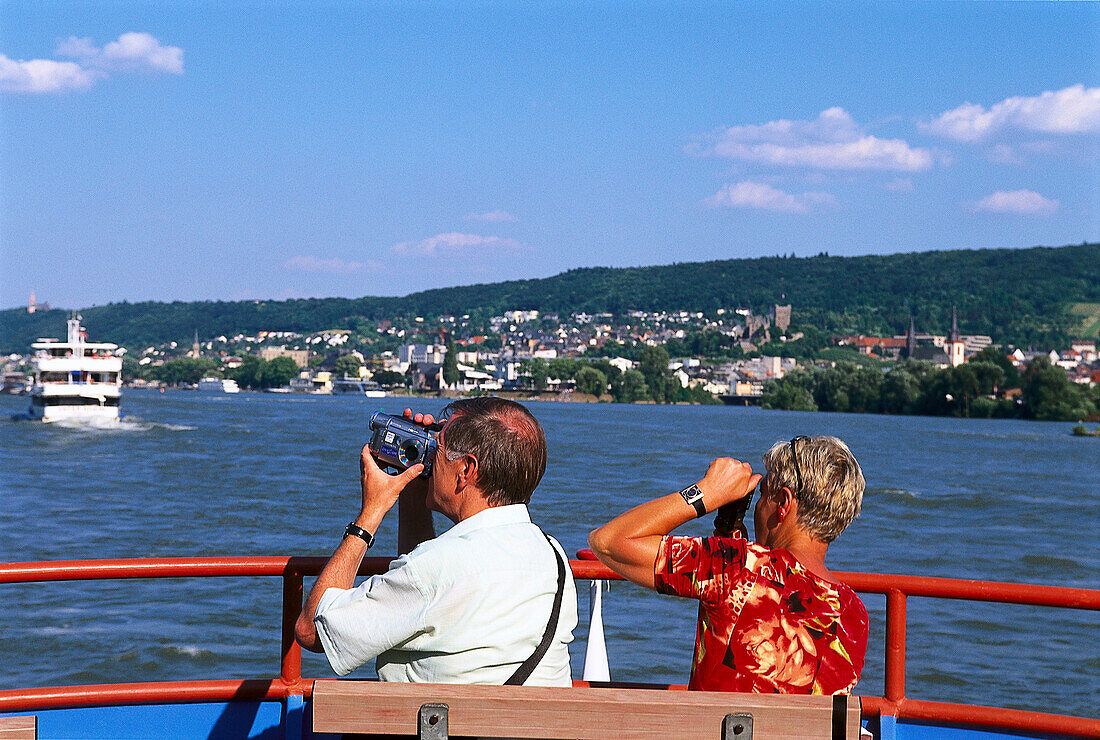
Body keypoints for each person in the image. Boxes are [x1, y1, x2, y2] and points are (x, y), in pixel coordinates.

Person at [295, 397, 577, 685]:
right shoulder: (555, 558)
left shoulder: (435, 568)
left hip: (439, 728)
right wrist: (413, 491)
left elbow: (311, 630)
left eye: (436, 449)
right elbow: (422, 601)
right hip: (527, 728)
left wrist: (371, 513)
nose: (429, 458)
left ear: (466, 470)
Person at [588, 435, 867, 694]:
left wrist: (707, 493)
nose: (758, 507)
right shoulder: (855, 614)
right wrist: (728, 527)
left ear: (783, 503)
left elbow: (608, 541)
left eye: (762, 496)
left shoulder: (738, 566)